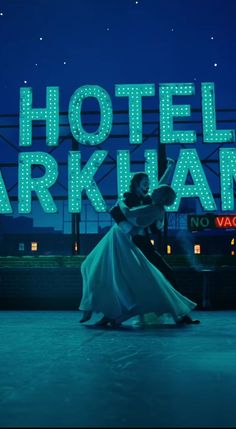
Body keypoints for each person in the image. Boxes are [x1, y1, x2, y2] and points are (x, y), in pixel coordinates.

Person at [79, 165, 200, 327]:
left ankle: (180, 312)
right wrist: (169, 167)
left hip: (135, 243)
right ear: (136, 183)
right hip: (124, 241)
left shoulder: (150, 203)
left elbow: (133, 210)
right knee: (107, 273)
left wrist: (119, 209)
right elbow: (155, 196)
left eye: (149, 182)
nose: (148, 185)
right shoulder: (135, 199)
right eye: (145, 182)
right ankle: (108, 314)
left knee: (161, 275)